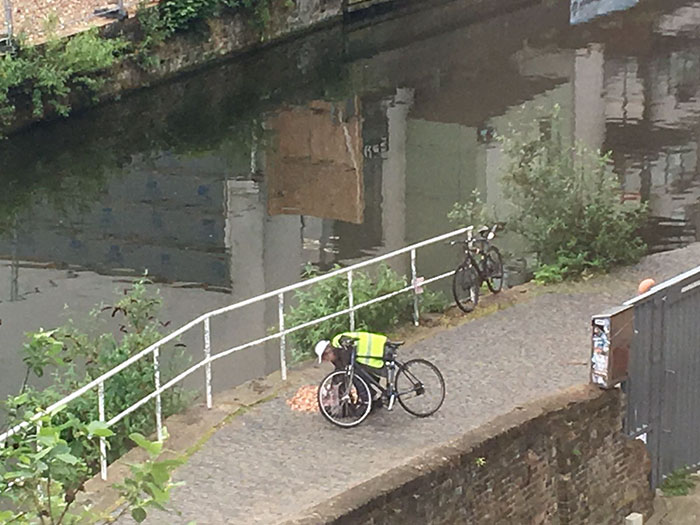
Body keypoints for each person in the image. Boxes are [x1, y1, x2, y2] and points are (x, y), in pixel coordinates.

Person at [314, 331, 390, 408]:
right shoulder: (337, 353)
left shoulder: (339, 342)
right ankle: (371, 397)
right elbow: (341, 371)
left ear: (328, 351)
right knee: (356, 373)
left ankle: (367, 400)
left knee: (355, 374)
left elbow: (345, 369)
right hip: (374, 350)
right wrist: (334, 387)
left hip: (379, 348)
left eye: (324, 357)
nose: (326, 360)